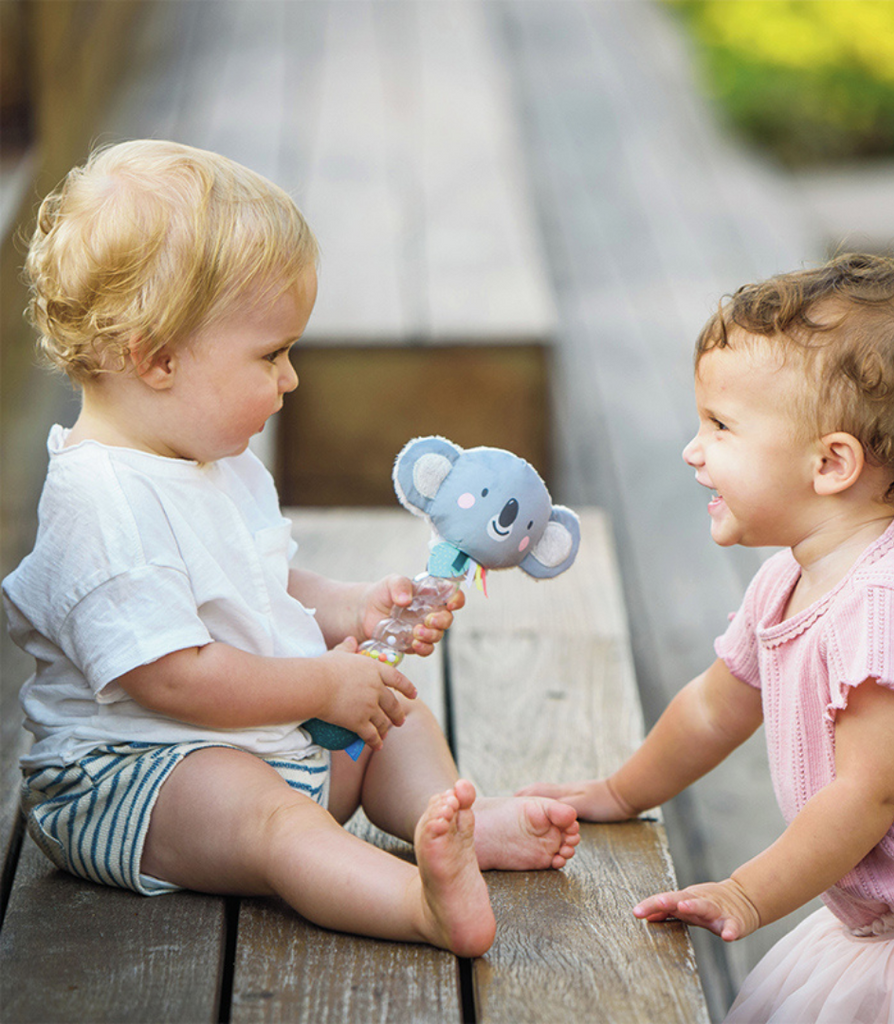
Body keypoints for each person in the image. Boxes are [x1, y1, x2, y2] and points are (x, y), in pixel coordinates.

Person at [2, 139, 580, 957]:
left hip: (269, 735)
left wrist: (350, 608)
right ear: (156, 358)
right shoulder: (103, 503)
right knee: (271, 820)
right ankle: (414, 904)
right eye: (270, 354)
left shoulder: (210, 459)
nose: (291, 378)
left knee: (388, 707)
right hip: (135, 779)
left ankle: (453, 824)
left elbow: (260, 580)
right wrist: (319, 681)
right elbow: (170, 675)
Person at [520, 253, 894, 1021]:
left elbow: (868, 794)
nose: (694, 450)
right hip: (886, 923)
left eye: (721, 426)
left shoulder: (892, 605)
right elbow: (713, 708)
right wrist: (620, 792)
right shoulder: (790, 577)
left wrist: (746, 893)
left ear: (830, 463)